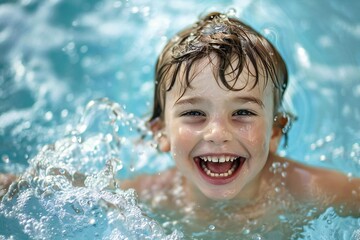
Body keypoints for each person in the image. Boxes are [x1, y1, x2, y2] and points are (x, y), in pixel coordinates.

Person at [120, 11, 360, 235]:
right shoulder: (151, 196)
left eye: (242, 112)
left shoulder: (307, 190)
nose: (217, 133)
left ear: (275, 131)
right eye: (194, 113)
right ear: (161, 132)